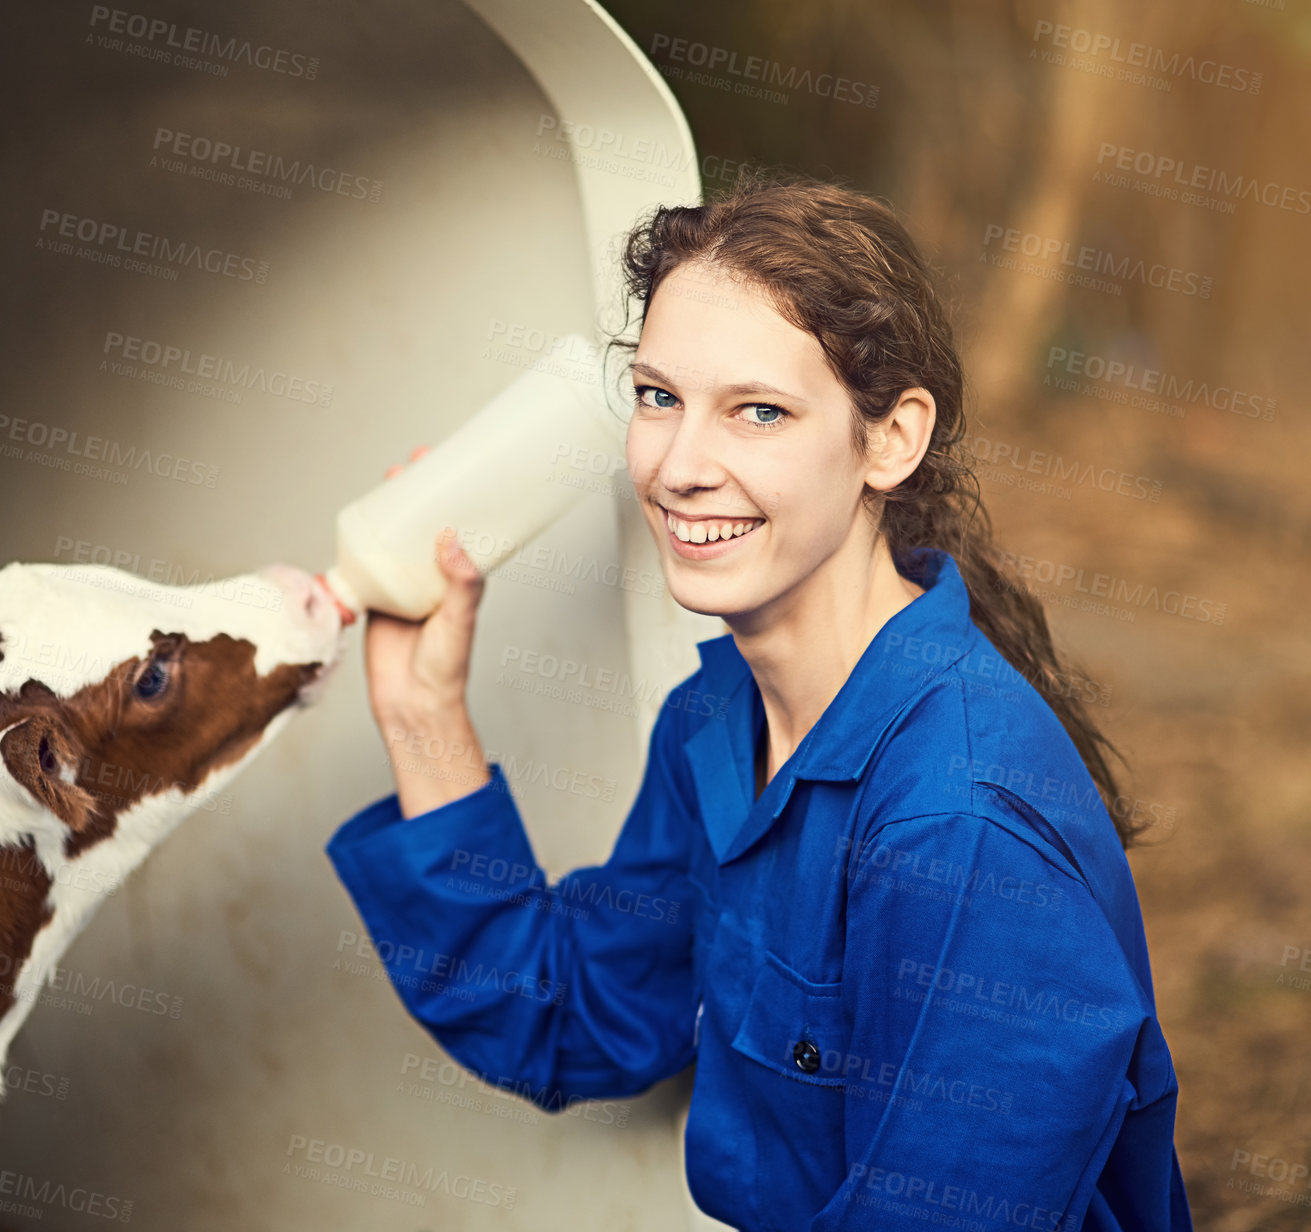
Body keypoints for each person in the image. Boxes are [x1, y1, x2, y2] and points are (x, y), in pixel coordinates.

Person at [325, 174, 1191, 1231]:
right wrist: (425, 713)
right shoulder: (720, 717)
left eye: (760, 412)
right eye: (657, 397)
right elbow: (573, 1016)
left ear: (891, 438)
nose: (682, 466)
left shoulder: (956, 821)